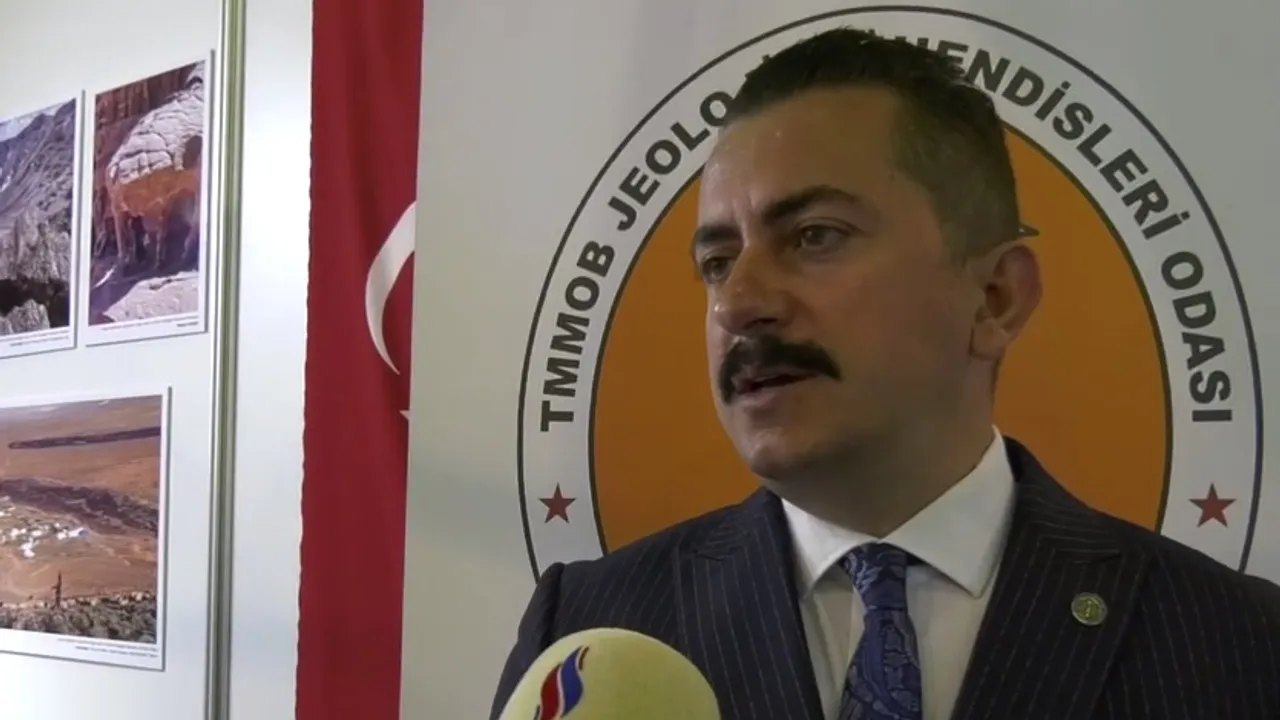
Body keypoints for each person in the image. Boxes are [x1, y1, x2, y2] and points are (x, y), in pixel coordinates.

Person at [490, 27, 1280, 720]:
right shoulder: (587, 636)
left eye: (815, 236)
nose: (739, 303)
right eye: (717, 262)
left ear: (995, 299)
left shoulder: (1240, 645)